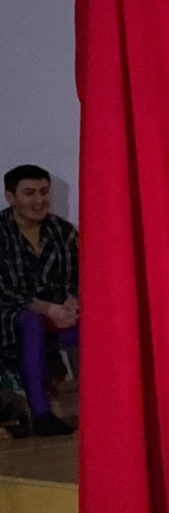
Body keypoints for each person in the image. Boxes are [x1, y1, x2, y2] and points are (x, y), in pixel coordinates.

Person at [1, 165, 79, 437]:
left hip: (55, 311)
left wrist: (70, 303)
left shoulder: (61, 230)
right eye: (29, 193)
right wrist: (47, 308)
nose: (39, 200)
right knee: (31, 322)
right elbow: (4, 290)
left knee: (98, 325)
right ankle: (41, 414)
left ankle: (111, 405)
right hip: (11, 315)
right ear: (11, 197)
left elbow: (73, 276)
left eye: (44, 192)